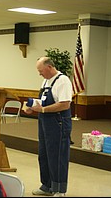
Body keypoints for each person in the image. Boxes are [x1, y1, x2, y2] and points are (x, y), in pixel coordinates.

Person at [24, 57, 72, 197]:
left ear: (50, 67)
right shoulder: (46, 80)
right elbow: (44, 101)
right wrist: (32, 107)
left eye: (41, 71)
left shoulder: (62, 81)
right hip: (44, 122)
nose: (40, 74)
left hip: (58, 123)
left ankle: (59, 189)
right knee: (44, 155)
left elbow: (64, 104)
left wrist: (43, 110)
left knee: (57, 156)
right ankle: (47, 185)